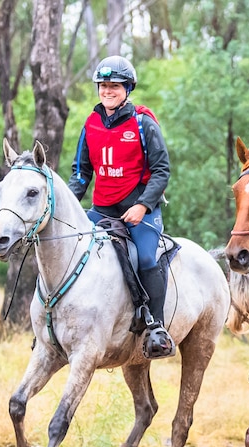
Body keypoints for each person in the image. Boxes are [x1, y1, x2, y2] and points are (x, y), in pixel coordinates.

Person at [68, 55, 175, 359]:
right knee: (72, 249)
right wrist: (66, 203)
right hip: (102, 210)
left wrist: (143, 205)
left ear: (128, 88)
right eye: (103, 86)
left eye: (114, 86)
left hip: (140, 210)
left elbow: (162, 171)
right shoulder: (90, 124)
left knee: (144, 258)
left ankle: (156, 328)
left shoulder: (143, 123)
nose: (107, 91)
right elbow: (80, 173)